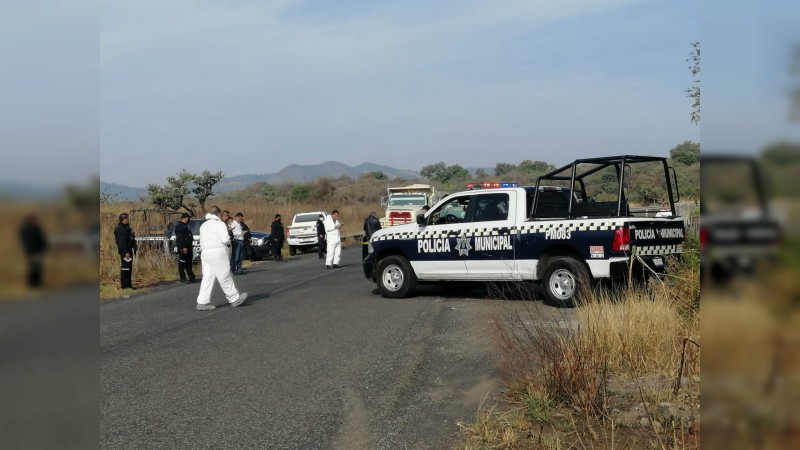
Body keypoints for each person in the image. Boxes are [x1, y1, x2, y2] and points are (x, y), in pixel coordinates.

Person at [196, 206, 248, 311]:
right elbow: (225, 240)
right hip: (217, 251)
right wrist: (228, 244)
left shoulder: (203, 225)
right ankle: (234, 298)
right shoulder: (219, 224)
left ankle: (202, 302)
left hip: (205, 253)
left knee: (207, 278)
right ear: (218, 214)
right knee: (224, 275)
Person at [19, 213, 47, 288]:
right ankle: (34, 284)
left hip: (36, 251)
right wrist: (33, 251)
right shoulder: (29, 229)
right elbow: (30, 242)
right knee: (34, 268)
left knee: (36, 267)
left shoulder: (33, 228)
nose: (36, 221)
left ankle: (35, 283)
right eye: (34, 219)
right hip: (34, 251)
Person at [114, 212, 137, 290]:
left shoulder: (127, 227)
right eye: (128, 218)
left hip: (129, 250)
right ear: (124, 219)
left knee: (129, 267)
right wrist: (126, 251)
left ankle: (129, 285)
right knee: (125, 268)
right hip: (125, 252)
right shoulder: (120, 228)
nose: (129, 220)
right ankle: (124, 286)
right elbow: (121, 242)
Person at [174, 212, 196, 284]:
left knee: (189, 263)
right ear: (185, 218)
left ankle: (191, 277)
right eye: (188, 217)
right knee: (182, 263)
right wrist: (183, 247)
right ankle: (182, 278)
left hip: (189, 246)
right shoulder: (180, 226)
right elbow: (180, 238)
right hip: (184, 248)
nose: (189, 219)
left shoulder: (186, 225)